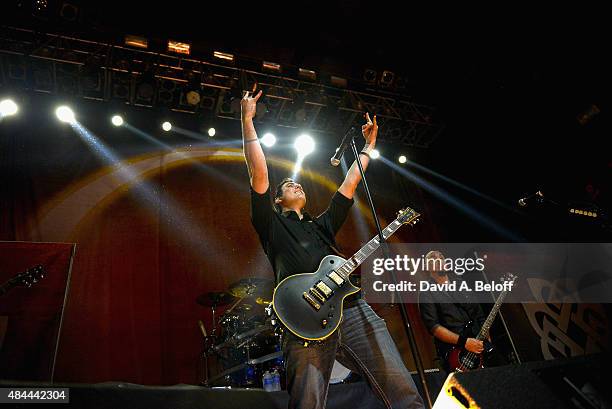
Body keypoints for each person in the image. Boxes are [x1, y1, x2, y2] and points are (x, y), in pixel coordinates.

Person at [241, 88, 424, 409]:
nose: (294, 184)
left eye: (297, 183)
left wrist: (369, 147)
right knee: (308, 402)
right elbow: (259, 172)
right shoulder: (269, 222)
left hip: (351, 308)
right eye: (287, 186)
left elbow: (349, 183)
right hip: (301, 319)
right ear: (277, 199)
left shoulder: (321, 225)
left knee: (400, 387)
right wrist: (247, 120)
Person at [418, 250, 490, 372]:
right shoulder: (426, 292)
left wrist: (486, 336)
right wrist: (464, 342)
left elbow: (478, 313)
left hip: (479, 344)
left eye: (441, 257)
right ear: (427, 268)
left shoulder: (459, 282)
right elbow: (434, 328)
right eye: (434, 259)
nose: (440, 259)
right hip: (456, 352)